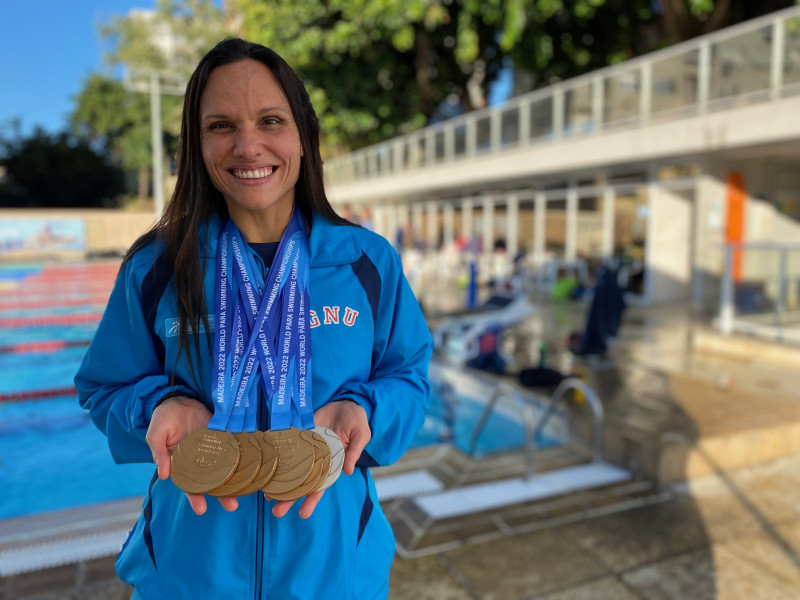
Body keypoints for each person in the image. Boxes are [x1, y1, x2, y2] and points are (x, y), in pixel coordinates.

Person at [75, 38, 432, 600]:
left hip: (334, 573)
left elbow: (408, 375)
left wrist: (364, 408)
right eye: (220, 126)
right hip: (189, 575)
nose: (248, 145)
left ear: (303, 135)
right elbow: (102, 387)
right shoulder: (157, 268)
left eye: (271, 120)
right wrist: (157, 405)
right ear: (196, 144)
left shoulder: (366, 262)